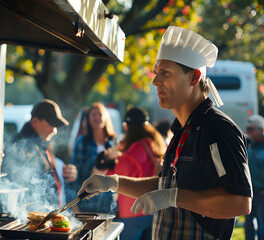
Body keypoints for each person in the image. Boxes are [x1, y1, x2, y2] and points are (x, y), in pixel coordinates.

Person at [77, 26, 253, 239]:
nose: (155, 81)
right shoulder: (181, 130)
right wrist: (113, 183)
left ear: (194, 78)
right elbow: (164, 186)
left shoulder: (216, 129)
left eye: (165, 73)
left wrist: (174, 197)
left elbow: (239, 202)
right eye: (156, 73)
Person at [99, 107, 166, 240]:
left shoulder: (134, 150)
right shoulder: (154, 144)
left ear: (127, 127)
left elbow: (117, 178)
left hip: (132, 211)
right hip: (153, 209)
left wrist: (105, 167)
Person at [2, 99, 78, 211]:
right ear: (35, 121)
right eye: (50, 125)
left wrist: (68, 176)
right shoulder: (20, 146)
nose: (55, 131)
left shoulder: (44, 144)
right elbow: (16, 185)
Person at [68, 102, 117, 213]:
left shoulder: (111, 144)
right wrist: (74, 205)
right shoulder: (81, 143)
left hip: (108, 204)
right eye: (93, 114)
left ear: (106, 117)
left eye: (100, 114)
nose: (97, 117)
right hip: (87, 203)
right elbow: (74, 176)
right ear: (88, 120)